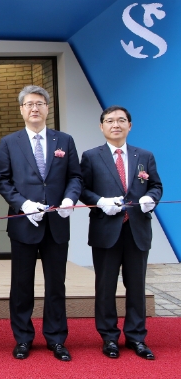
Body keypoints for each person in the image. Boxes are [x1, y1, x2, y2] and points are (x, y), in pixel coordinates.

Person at [0, 85, 82, 362]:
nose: (34, 108)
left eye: (39, 103)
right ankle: (23, 338)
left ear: (47, 108)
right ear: (21, 109)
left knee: (56, 284)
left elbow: (75, 176)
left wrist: (69, 199)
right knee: (22, 285)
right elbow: (2, 180)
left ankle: (56, 339)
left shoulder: (64, 140)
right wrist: (23, 204)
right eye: (29, 104)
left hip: (57, 224)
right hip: (24, 224)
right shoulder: (10, 142)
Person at [79, 106, 162, 360]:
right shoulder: (91, 156)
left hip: (137, 230)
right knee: (105, 286)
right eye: (110, 121)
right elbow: (82, 189)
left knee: (136, 286)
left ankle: (136, 337)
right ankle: (109, 337)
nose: (116, 125)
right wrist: (100, 201)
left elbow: (156, 186)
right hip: (106, 230)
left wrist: (150, 198)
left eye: (121, 120)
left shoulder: (144, 156)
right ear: (101, 126)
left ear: (129, 125)